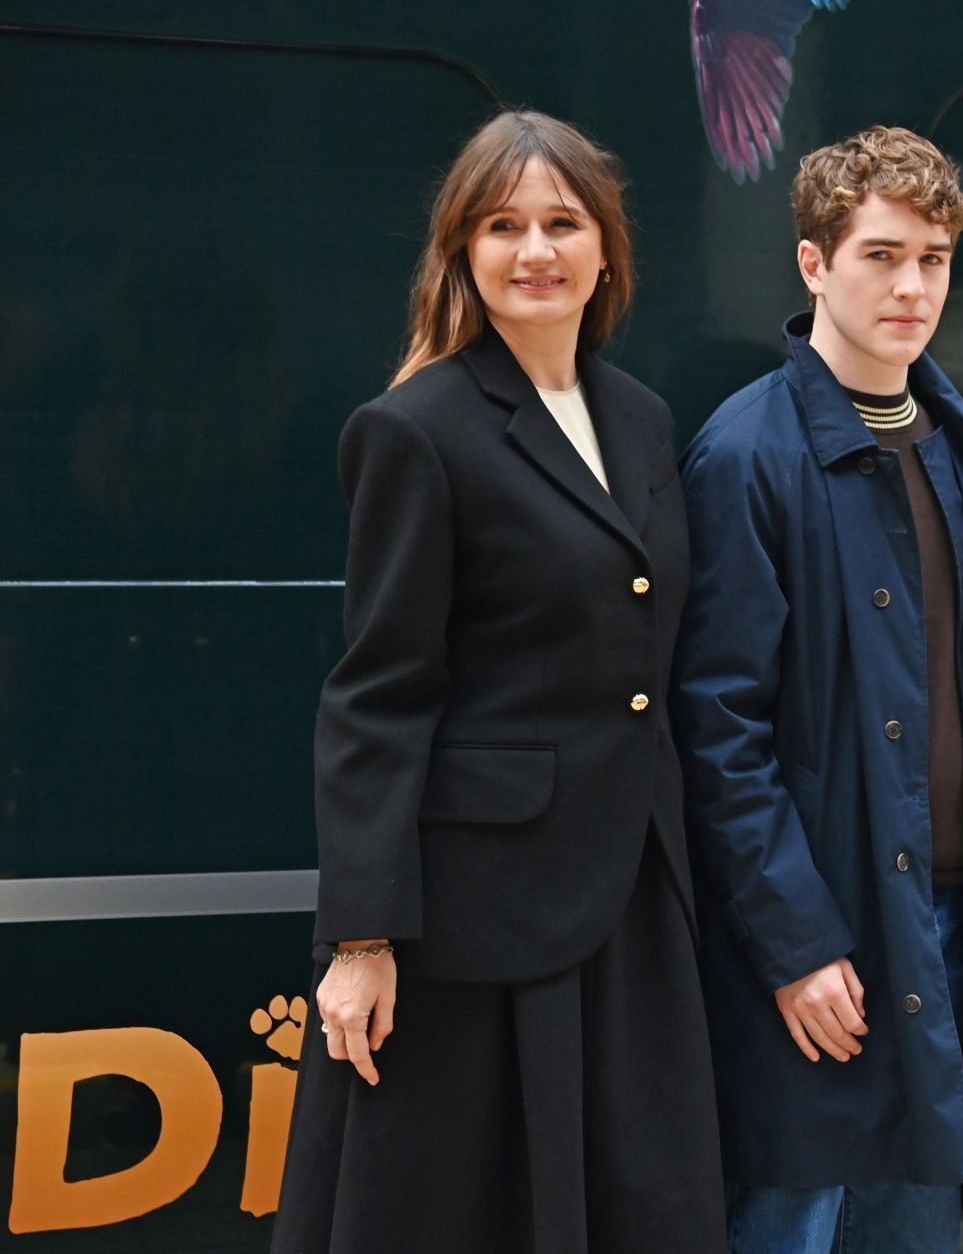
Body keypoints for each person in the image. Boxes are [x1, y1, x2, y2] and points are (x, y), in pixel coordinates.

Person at [273, 110, 725, 1253]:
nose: (536, 250)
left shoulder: (641, 416)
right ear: (463, 252)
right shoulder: (414, 429)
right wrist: (361, 936)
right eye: (503, 225)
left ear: (607, 249)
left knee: (636, 1206)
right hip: (474, 916)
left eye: (563, 223)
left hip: (632, 892)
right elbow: (378, 692)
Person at [672, 127, 963, 1253]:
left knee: (914, 1234)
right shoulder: (747, 454)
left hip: (946, 935)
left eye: (933, 258)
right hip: (826, 948)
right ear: (815, 266)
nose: (910, 286)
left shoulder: (961, 451)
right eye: (879, 255)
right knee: (791, 1222)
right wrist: (797, 945)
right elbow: (719, 730)